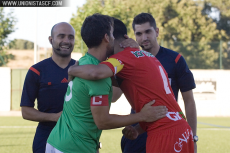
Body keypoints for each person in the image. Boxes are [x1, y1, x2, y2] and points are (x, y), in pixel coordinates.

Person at [67, 17, 195, 153]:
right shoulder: (147, 56)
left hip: (164, 134)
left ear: (111, 38)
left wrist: (71, 69)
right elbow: (155, 99)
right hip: (181, 129)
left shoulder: (122, 58)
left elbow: (96, 73)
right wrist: (138, 129)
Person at [46, 14, 168, 153]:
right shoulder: (98, 74)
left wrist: (133, 50)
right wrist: (142, 116)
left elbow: (120, 86)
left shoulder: (84, 62)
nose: (115, 38)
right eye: (112, 34)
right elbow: (102, 121)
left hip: (56, 140)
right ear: (106, 37)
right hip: (74, 147)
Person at [119, 13, 197, 153]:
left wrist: (193, 137)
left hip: (167, 130)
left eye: (148, 31)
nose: (144, 37)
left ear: (157, 31)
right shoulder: (129, 61)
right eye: (139, 33)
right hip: (138, 129)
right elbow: (114, 97)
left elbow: (189, 100)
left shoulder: (175, 59)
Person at [20, 22, 76, 153]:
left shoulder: (82, 69)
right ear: (51, 40)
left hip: (77, 136)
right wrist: (55, 117)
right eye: (61, 36)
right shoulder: (37, 71)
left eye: (71, 37)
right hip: (46, 136)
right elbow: (26, 111)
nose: (66, 41)